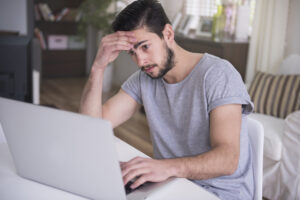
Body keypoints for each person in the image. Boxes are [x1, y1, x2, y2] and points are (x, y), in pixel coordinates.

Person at [79, 0, 254, 199]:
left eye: (144, 47)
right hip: (172, 185)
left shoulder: (218, 75)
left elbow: (227, 160)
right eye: (132, 53)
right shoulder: (144, 79)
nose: (140, 61)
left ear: (168, 34)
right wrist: (98, 68)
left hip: (220, 193)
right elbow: (92, 126)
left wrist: (163, 168)